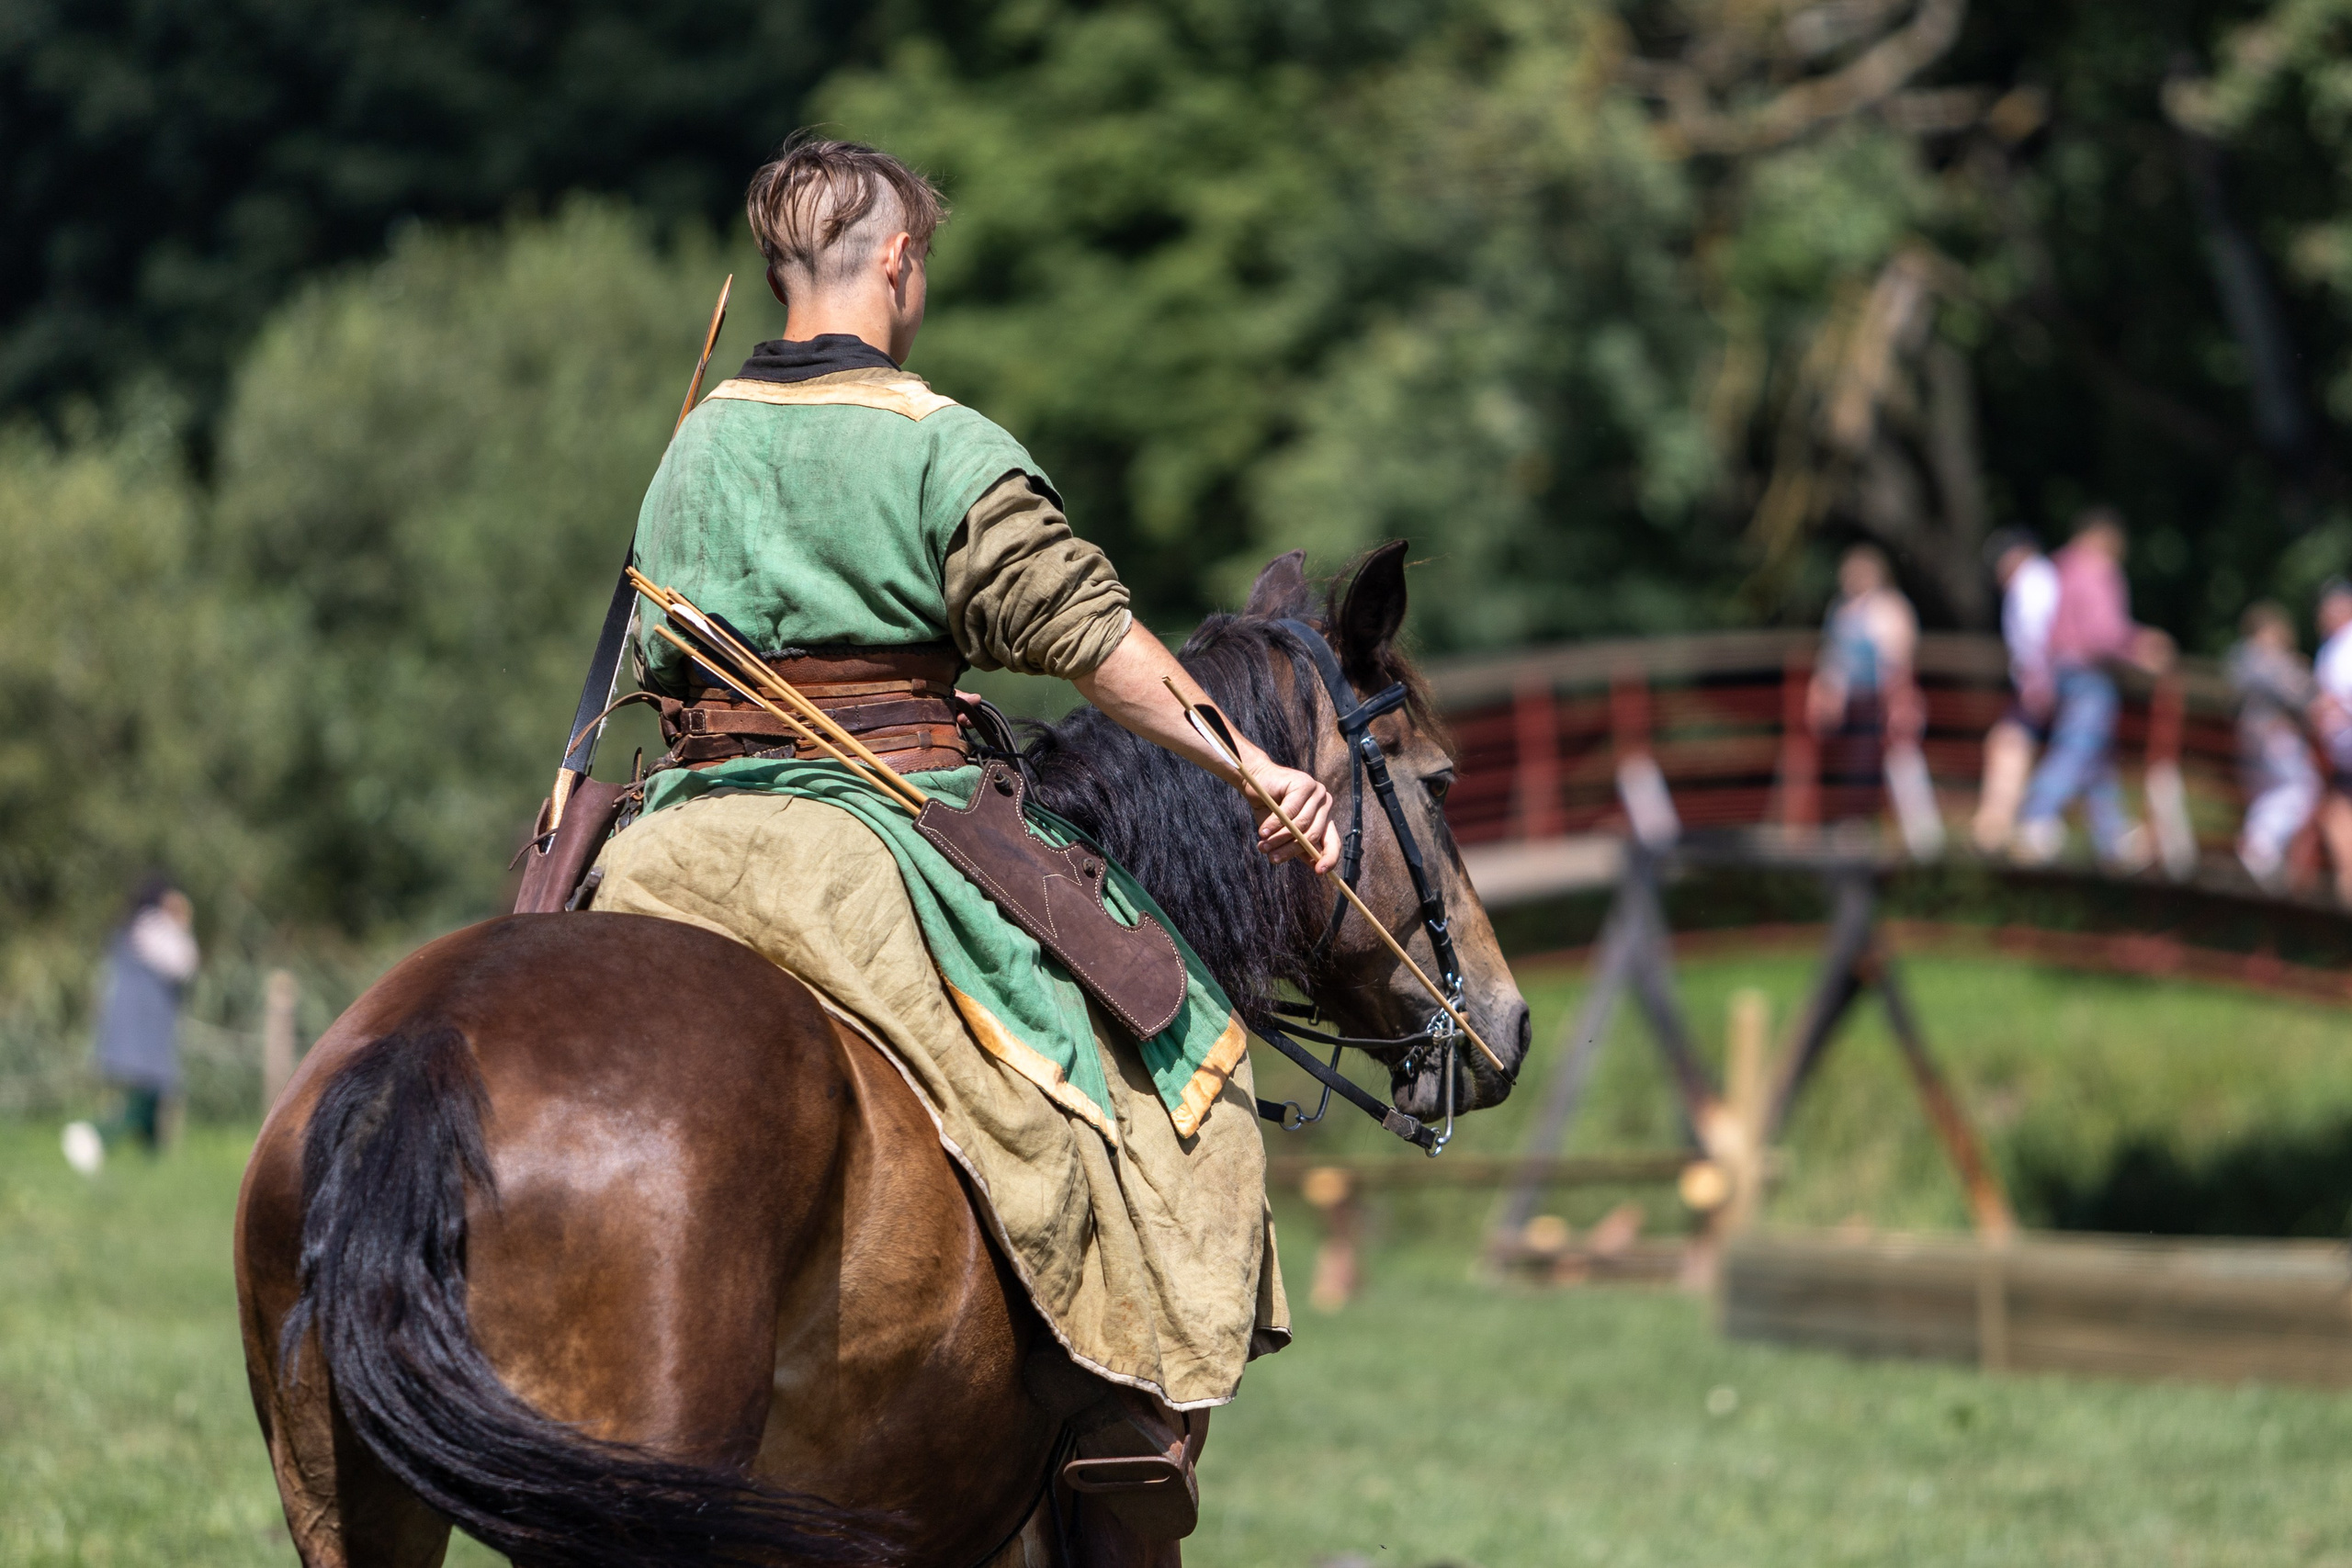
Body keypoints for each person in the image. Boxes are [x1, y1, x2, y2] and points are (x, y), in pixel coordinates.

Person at [584, 135, 1340, 1537]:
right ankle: (1125, 1412)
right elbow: (1093, 641)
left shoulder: (691, 446)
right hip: (862, 848)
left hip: (662, 846)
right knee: (1144, 1070)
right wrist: (1250, 764)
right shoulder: (939, 441)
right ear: (898, 263)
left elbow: (655, 648)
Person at [2012, 508, 2175, 867]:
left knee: (2097, 758)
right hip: (2090, 673)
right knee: (2079, 747)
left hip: (2061, 670)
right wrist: (2141, 646)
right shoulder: (2098, 569)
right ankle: (2035, 816)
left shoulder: (2057, 568)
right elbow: (2103, 632)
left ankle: (2112, 836)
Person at [62, 876, 199, 1173]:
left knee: (151, 1094)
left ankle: (151, 1163)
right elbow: (184, 965)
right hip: (145, 1025)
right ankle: (94, 1136)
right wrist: (183, 924)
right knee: (148, 1093)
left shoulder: (135, 927)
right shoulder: (157, 928)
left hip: (132, 1021)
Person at [1807, 545, 1935, 845]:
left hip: (1886, 699)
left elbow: (1898, 660)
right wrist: (1824, 693)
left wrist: (1900, 701)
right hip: (1855, 703)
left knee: (1901, 757)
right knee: (1858, 762)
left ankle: (1924, 835)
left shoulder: (1889, 608)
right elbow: (1833, 658)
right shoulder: (1841, 610)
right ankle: (1855, 827)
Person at [1971, 527, 2059, 853]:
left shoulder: (2031, 582)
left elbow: (2034, 631)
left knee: (2011, 745)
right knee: (2015, 745)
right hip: (2049, 680)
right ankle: (2005, 827)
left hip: (2043, 682)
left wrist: (2036, 679)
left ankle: (2003, 828)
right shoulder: (2044, 577)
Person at [2228, 602, 2319, 891]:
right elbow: (2298, 692)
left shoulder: (2242, 660)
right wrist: (2301, 675)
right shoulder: (2259, 660)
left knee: (2269, 795)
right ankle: (2260, 846)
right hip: (2271, 737)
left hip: (2253, 739)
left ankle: (2260, 848)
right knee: (2304, 788)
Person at [2308, 579, 2352, 902]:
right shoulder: (2335, 647)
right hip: (2343, 754)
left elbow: (2338, 700)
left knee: (2335, 813)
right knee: (2335, 811)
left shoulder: (2342, 647)